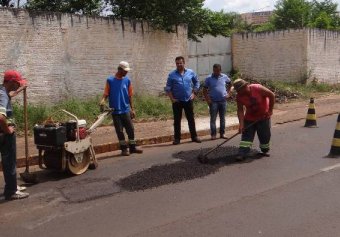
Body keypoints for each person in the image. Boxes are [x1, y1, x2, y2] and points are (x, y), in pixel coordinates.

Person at [100, 61, 143, 156]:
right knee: (119, 131)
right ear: (119, 69)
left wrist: (132, 109)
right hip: (115, 111)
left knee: (130, 129)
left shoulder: (127, 81)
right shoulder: (110, 80)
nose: (126, 72)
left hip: (126, 109)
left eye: (127, 71)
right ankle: (124, 149)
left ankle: (132, 148)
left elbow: (130, 95)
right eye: (125, 70)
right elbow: (106, 94)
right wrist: (102, 100)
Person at [0, 70, 29, 200]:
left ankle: (12, 186)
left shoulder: (3, 91)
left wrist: (21, 88)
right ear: (11, 82)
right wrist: (7, 130)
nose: (18, 85)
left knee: (8, 162)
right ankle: (11, 191)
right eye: (17, 83)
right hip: (4, 135)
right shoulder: (3, 96)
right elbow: (0, 117)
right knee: (9, 162)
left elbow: (11, 94)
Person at [233, 78, 275, 161]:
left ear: (244, 87)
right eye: (237, 90)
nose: (237, 92)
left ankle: (264, 150)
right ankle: (242, 153)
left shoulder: (257, 88)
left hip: (263, 117)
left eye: (239, 90)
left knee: (265, 136)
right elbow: (240, 110)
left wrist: (270, 110)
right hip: (249, 118)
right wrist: (241, 124)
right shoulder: (239, 97)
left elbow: (271, 95)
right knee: (246, 137)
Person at [165, 56, 201, 145]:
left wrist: (194, 93)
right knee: (177, 120)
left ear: (184, 63)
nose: (179, 65)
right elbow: (168, 88)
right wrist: (172, 99)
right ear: (175, 64)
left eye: (180, 63)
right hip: (177, 101)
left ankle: (194, 137)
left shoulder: (190, 72)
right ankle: (177, 139)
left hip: (188, 100)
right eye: (177, 63)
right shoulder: (172, 75)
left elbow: (197, 82)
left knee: (191, 119)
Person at [203, 64, 231, 140]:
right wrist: (208, 99)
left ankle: (222, 133)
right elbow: (204, 90)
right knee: (213, 119)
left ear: (220, 70)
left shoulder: (224, 77)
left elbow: (230, 83)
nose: (216, 72)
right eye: (215, 71)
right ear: (213, 70)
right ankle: (213, 134)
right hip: (213, 102)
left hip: (223, 101)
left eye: (218, 71)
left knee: (222, 118)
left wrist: (228, 93)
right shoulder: (209, 78)